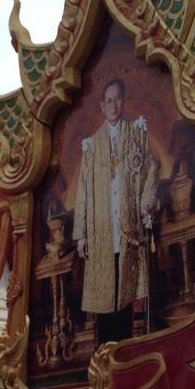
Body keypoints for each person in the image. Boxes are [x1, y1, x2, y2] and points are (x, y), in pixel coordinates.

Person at [72, 78, 159, 342]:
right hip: (101, 231)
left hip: (128, 226)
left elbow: (150, 171)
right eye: (108, 100)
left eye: (117, 98)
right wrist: (81, 235)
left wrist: (146, 206)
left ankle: (124, 349)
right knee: (106, 291)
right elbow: (83, 191)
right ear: (102, 105)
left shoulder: (137, 133)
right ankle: (106, 351)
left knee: (125, 289)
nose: (113, 105)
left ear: (123, 100)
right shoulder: (91, 146)